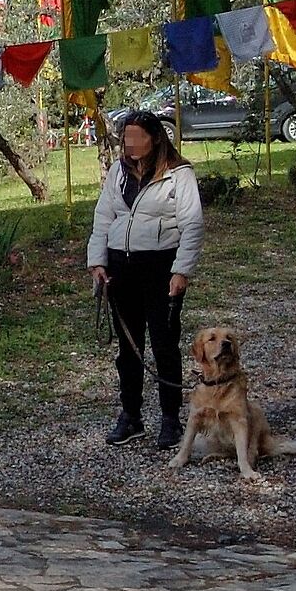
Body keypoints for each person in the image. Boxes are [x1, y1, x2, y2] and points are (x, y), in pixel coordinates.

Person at [87, 111, 202, 450]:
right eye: (126, 137)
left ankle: (170, 418)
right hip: (121, 266)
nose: (130, 143)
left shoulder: (179, 174)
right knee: (128, 347)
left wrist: (181, 271)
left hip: (161, 266)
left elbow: (192, 225)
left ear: (154, 138)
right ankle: (131, 415)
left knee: (165, 344)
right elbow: (103, 217)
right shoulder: (117, 173)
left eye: (137, 136)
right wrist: (97, 261)